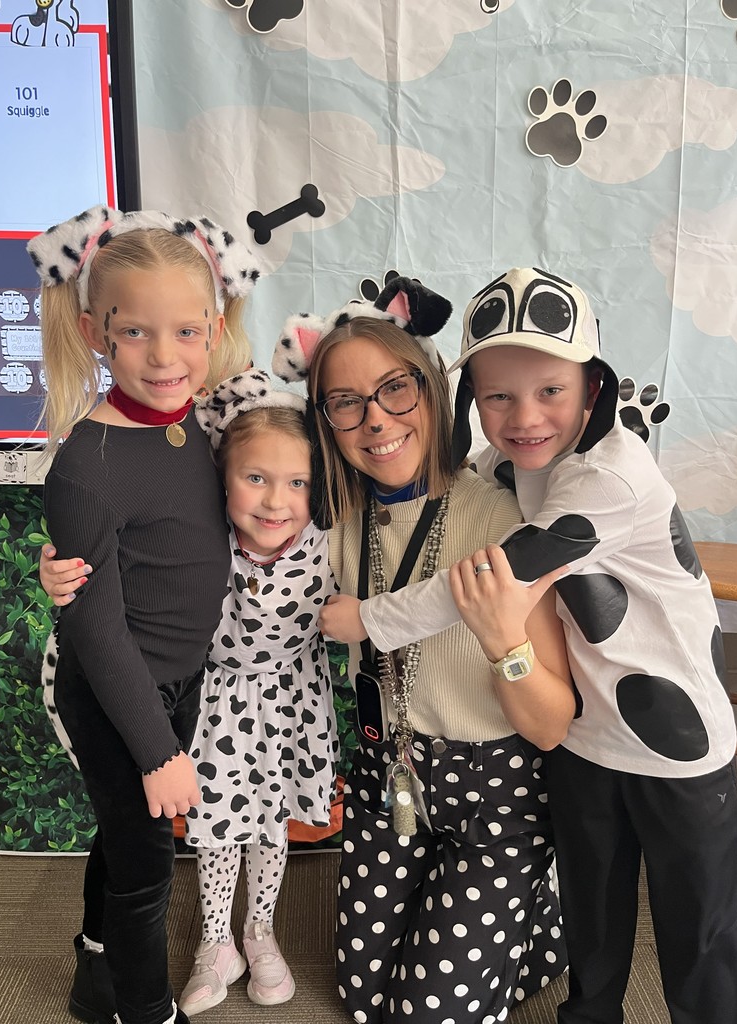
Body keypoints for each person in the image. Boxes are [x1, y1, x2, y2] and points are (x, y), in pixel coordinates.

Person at [337, 268, 737, 1024]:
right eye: (497, 396)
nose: (523, 417)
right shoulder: (512, 464)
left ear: (594, 390)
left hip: (675, 744)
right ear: (472, 400)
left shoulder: (612, 478)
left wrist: (370, 620)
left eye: (549, 391)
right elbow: (474, 482)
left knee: (701, 935)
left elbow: (496, 573)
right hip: (584, 737)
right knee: (594, 913)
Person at [272, 276, 576, 1024]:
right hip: (389, 773)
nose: (375, 420)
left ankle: (542, 919)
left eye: (394, 390)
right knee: (362, 995)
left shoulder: (503, 521)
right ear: (325, 421)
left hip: (494, 789)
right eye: (346, 403)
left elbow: (548, 727)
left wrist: (504, 638)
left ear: (434, 392)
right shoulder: (334, 519)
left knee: (425, 1014)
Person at [27, 204, 260, 1024]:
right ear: (95, 332)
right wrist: (158, 749)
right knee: (148, 861)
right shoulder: (85, 465)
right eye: (136, 335)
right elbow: (93, 628)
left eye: (189, 332)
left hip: (178, 681)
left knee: (123, 832)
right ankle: (142, 1008)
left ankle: (96, 974)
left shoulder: (208, 421)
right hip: (115, 690)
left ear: (214, 327)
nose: (166, 357)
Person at [178, 368, 338, 1014]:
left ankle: (260, 929)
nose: (277, 501)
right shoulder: (198, 542)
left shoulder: (329, 545)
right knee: (218, 826)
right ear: (222, 478)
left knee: (272, 820)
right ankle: (217, 941)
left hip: (293, 704)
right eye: (256, 479)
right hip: (219, 705)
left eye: (297, 482)